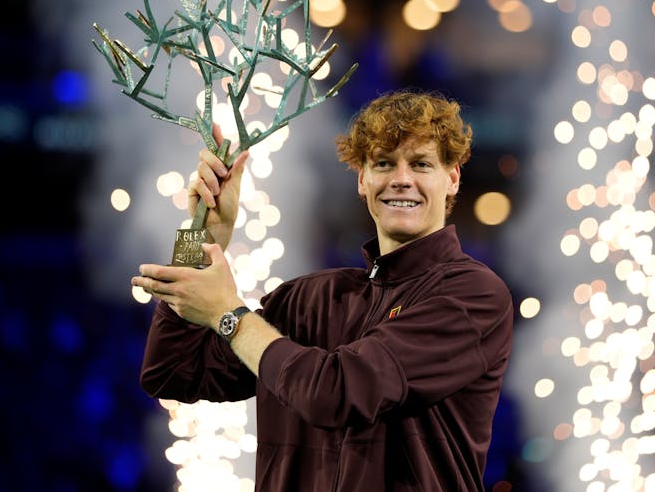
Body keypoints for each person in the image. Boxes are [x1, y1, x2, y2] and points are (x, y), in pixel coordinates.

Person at [132, 89, 514, 491]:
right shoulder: (309, 299)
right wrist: (201, 239)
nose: (401, 180)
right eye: (384, 163)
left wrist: (229, 314)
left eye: (420, 164)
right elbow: (171, 373)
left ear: (452, 178)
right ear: (363, 180)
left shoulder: (473, 295)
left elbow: (338, 393)